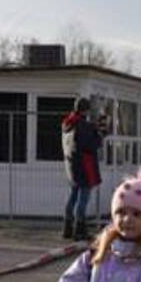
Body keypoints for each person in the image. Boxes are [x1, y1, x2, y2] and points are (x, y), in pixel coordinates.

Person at [61, 97, 104, 240]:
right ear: (86, 110)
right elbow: (92, 145)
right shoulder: (82, 125)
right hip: (84, 166)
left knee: (73, 195)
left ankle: (67, 227)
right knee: (83, 198)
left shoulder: (67, 123)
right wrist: (99, 134)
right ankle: (79, 229)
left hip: (72, 165)